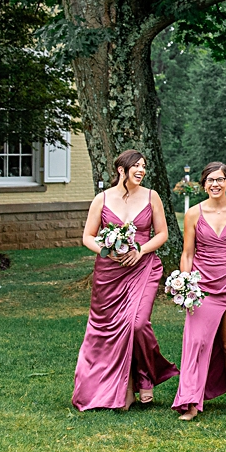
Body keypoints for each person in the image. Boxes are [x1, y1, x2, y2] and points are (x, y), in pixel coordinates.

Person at [73, 149, 177, 411]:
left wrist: (140, 250)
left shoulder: (152, 197)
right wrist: (109, 251)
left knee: (137, 324)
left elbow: (162, 233)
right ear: (122, 170)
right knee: (109, 330)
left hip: (144, 268)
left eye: (144, 166)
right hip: (110, 273)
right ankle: (121, 389)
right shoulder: (102, 199)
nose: (141, 170)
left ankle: (145, 376)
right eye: (136, 166)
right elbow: (88, 236)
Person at [172, 160, 226, 421]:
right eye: (210, 180)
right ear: (203, 184)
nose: (215, 184)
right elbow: (187, 253)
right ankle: (190, 401)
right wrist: (185, 285)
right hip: (202, 285)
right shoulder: (193, 213)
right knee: (197, 342)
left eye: (220, 179)